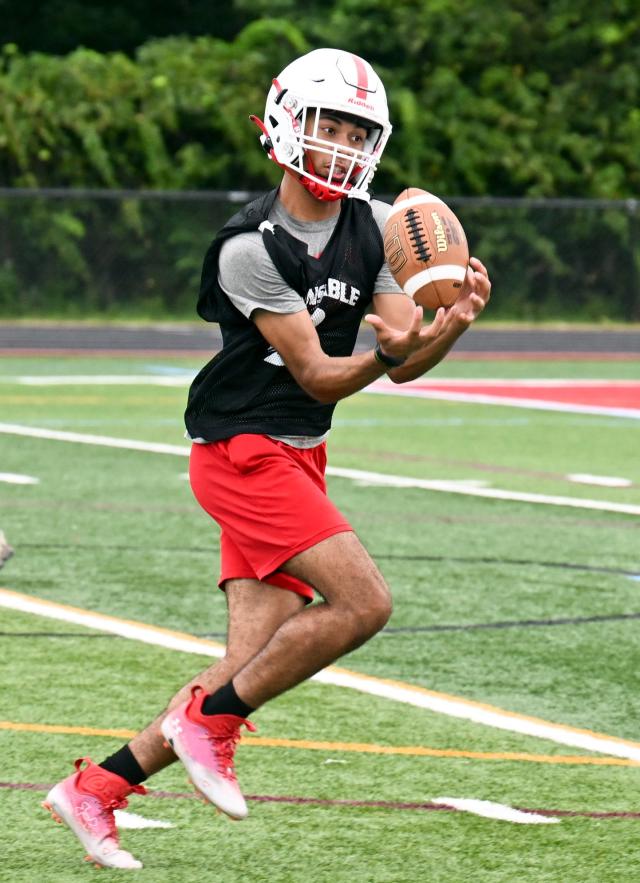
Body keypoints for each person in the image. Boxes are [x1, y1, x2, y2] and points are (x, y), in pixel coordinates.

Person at [44, 47, 491, 869]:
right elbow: (324, 375)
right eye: (331, 125)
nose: (345, 146)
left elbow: (397, 350)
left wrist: (448, 324)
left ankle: (96, 788)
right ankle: (209, 723)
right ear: (285, 122)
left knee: (245, 664)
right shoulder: (248, 245)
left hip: (299, 453)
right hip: (240, 449)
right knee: (363, 603)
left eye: (360, 131)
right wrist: (392, 356)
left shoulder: (373, 221)